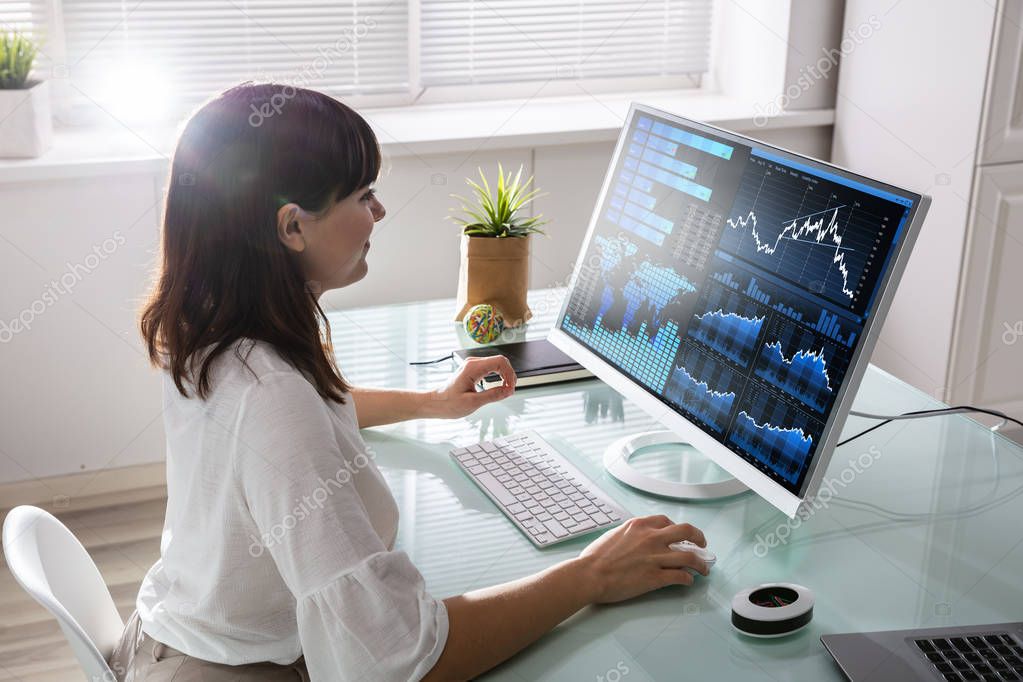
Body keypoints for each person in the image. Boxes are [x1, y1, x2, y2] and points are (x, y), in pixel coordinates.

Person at [111, 83, 711, 682]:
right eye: (364, 195)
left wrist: (433, 403)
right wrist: (591, 575)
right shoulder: (270, 398)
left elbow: (309, 419)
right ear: (292, 227)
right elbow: (400, 664)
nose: (379, 212)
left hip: (177, 637)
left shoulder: (214, 323)